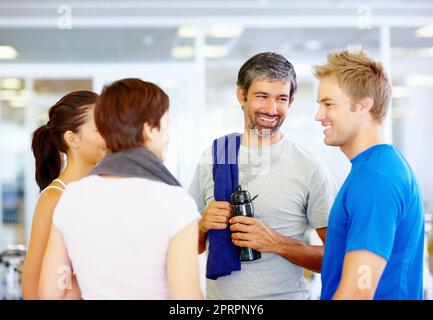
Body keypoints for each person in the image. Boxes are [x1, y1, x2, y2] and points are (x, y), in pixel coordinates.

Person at [189, 52, 337, 299]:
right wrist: (202, 225)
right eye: (262, 96)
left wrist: (275, 243)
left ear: (291, 101)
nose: (271, 108)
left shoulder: (309, 166)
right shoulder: (215, 157)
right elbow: (190, 246)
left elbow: (338, 257)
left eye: (281, 98)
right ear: (241, 96)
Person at [38, 78, 203, 300]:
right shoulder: (175, 202)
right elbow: (187, 299)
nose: (168, 135)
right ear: (148, 130)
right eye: (165, 124)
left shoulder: (71, 198)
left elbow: (50, 294)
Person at [314, 47, 424, 300]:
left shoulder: (377, 179)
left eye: (328, 104)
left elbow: (357, 293)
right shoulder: (375, 168)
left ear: (364, 106)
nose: (319, 115)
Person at [22, 91, 106, 300]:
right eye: (100, 129)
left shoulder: (105, 191)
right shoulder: (54, 197)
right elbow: (32, 281)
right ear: (72, 139)